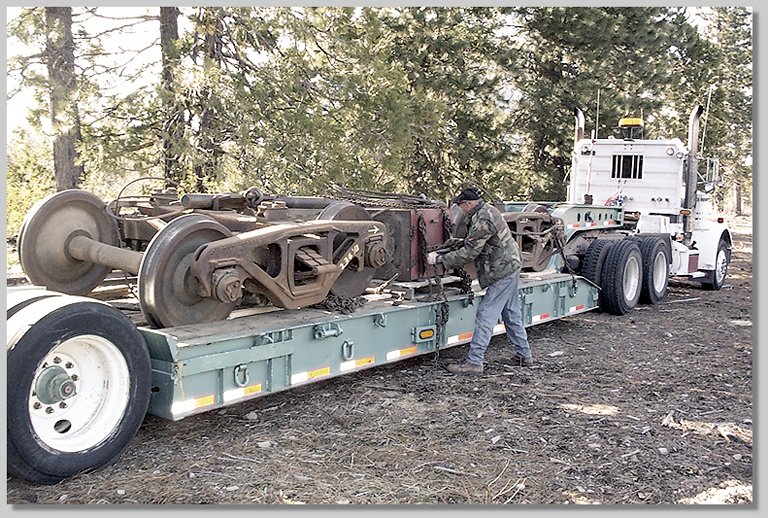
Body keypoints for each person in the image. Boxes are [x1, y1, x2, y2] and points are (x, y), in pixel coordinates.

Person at [427, 186, 532, 375]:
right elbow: (472, 243)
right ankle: (524, 355)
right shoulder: (486, 210)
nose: (460, 209)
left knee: (486, 314)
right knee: (510, 313)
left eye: (460, 205)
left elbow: (470, 251)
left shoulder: (483, 219)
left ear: (468, 204)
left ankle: (475, 362)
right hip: (510, 266)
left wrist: (441, 259)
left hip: (502, 271)